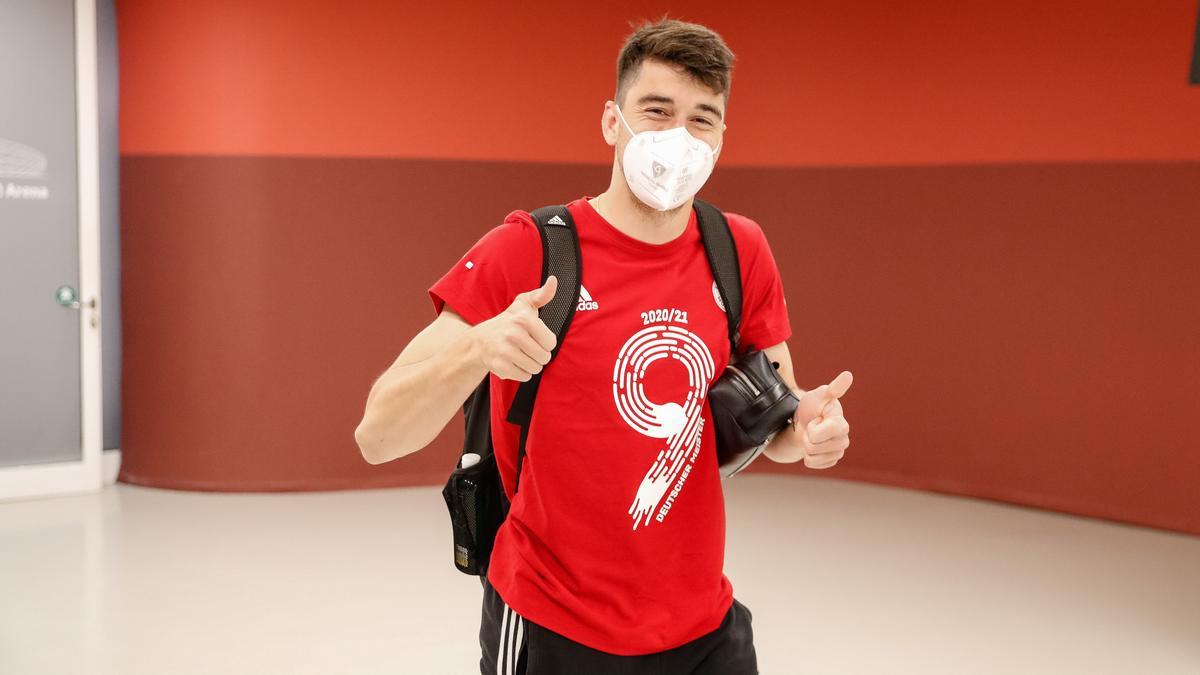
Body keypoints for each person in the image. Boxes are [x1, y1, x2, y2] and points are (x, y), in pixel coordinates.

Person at [354, 17, 853, 675]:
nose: (680, 137)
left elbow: (776, 416)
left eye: (703, 119)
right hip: (552, 624)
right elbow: (378, 434)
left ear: (722, 137)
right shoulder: (528, 250)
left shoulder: (738, 249)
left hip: (704, 630)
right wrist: (477, 347)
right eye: (657, 110)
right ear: (612, 122)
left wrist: (807, 427)